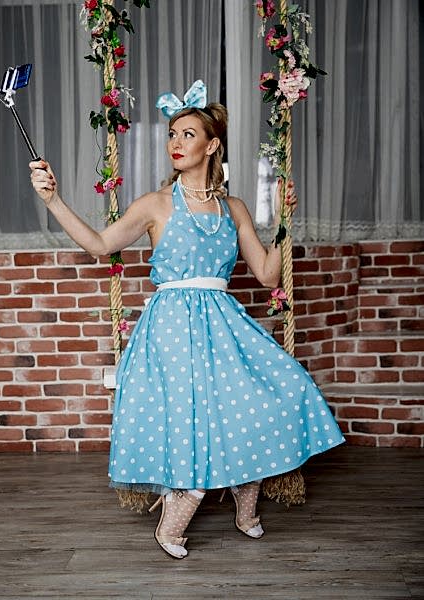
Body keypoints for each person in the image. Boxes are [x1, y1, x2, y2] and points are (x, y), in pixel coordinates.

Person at [30, 80, 345, 560]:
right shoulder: (155, 204)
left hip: (222, 321)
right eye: (172, 134)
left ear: (212, 145)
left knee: (272, 393)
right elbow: (99, 245)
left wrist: (285, 222)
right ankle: (179, 508)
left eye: (188, 134)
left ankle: (245, 490)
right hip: (173, 325)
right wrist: (53, 200)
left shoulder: (234, 208)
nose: (175, 143)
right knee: (190, 415)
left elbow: (266, 275)